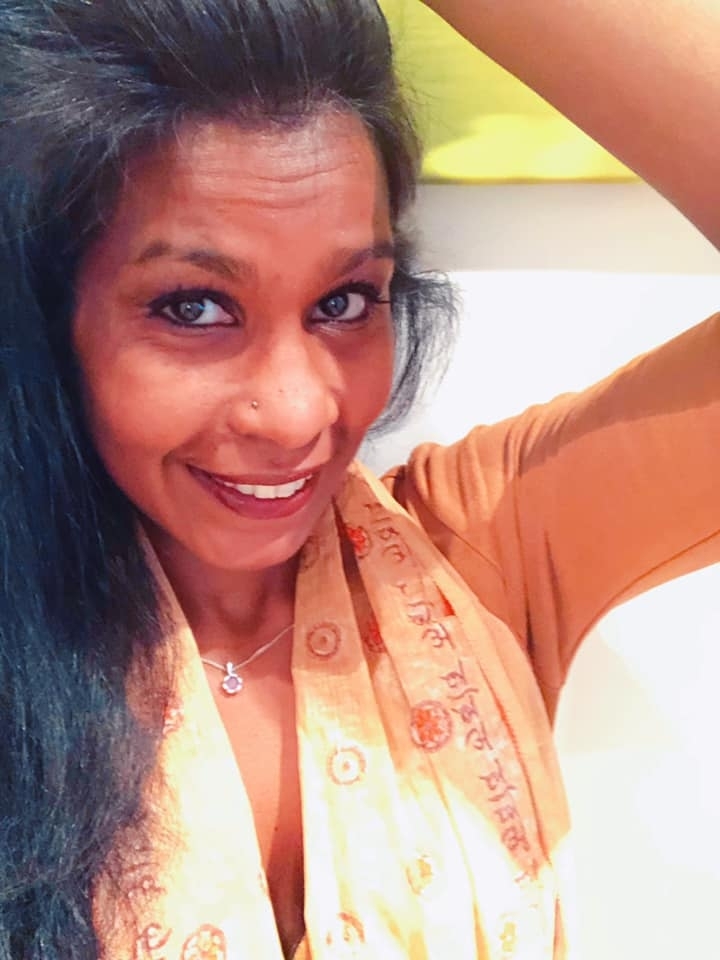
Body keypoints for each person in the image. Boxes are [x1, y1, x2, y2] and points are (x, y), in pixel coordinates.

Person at [0, 1, 717, 958]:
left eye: (343, 301)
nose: (299, 413)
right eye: (194, 307)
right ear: (46, 322)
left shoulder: (474, 554)